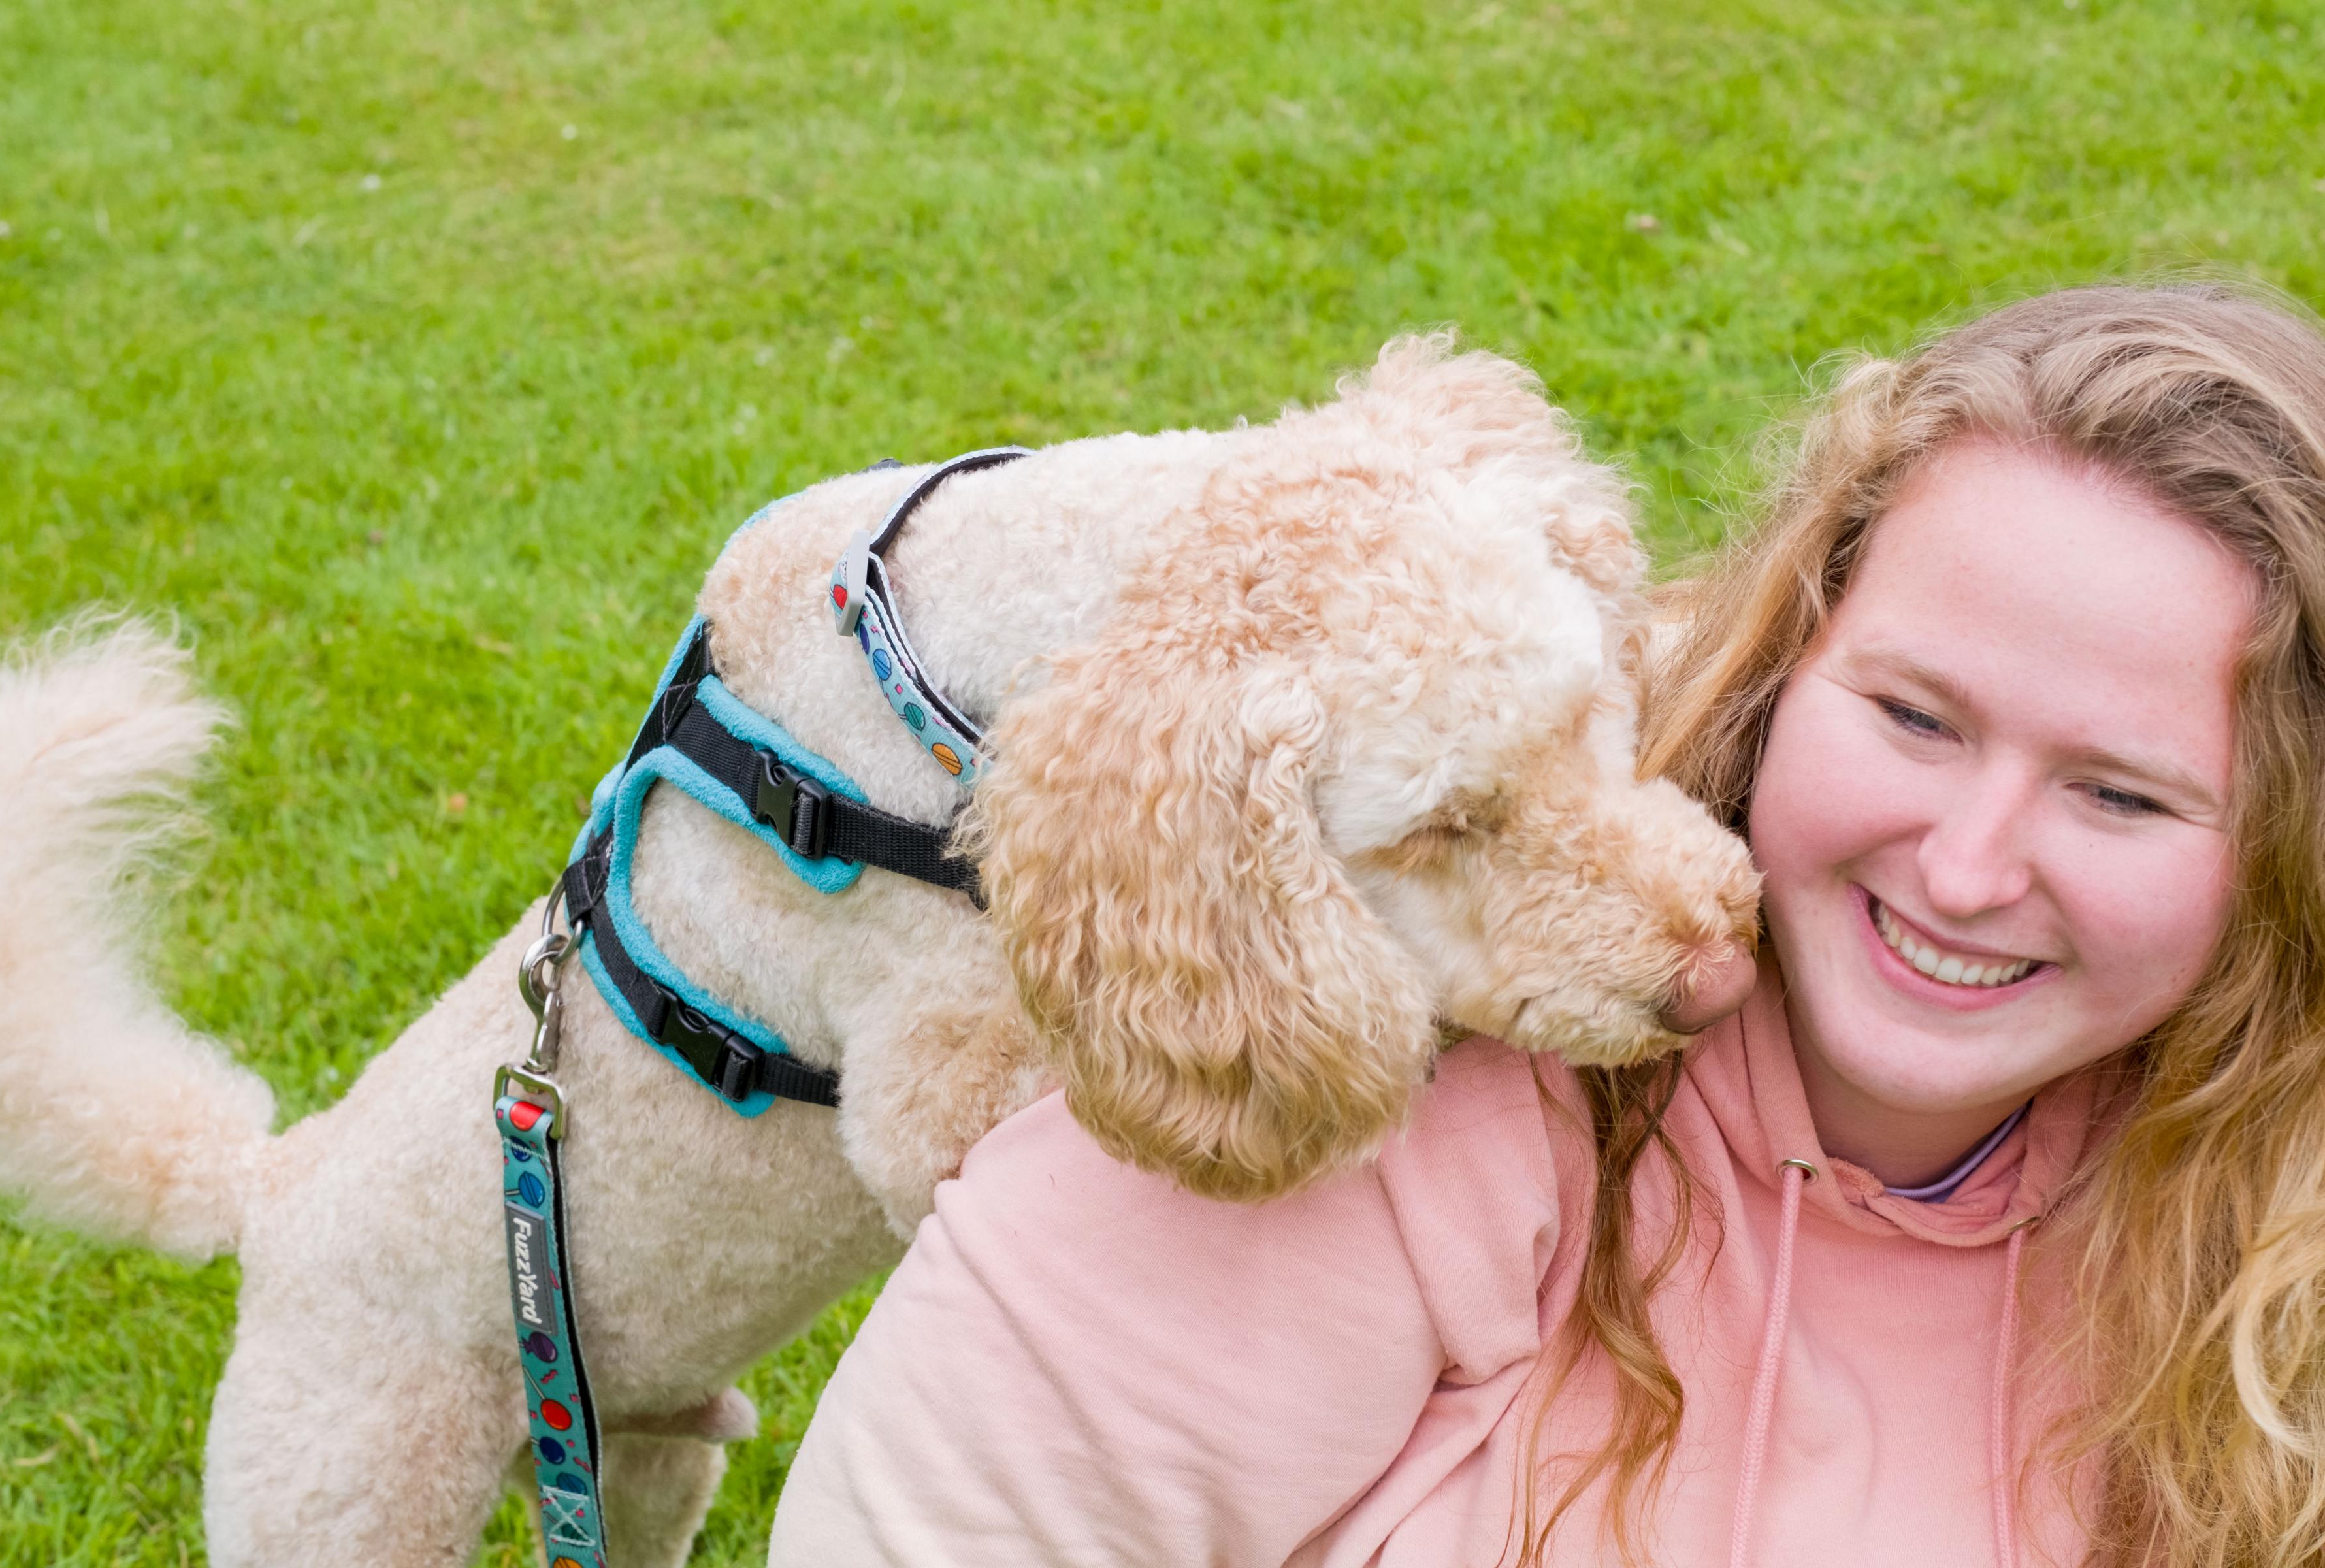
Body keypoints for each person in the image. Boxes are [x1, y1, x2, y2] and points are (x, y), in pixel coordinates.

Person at [768, 284, 2325, 1567]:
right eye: (1917, 717)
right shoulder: (1367, 1091)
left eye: (2121, 797)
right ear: (1792, 655)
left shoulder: (2267, 1198)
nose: (1970, 869)